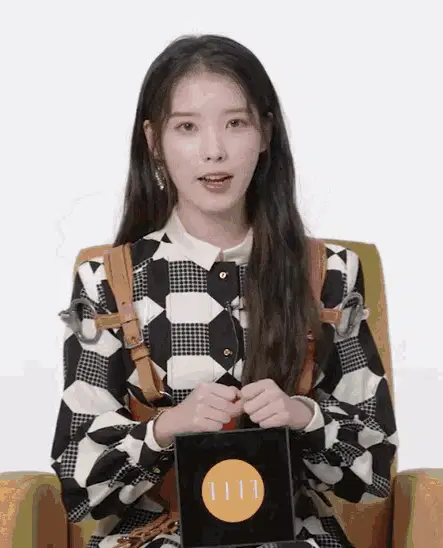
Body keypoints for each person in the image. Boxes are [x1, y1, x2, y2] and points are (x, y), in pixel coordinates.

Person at [49, 34, 398, 548]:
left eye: (236, 123)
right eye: (187, 127)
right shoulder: (107, 279)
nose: (214, 150)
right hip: (156, 536)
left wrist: (303, 416)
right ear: (154, 141)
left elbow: (375, 474)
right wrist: (165, 429)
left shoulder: (329, 273)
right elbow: (79, 487)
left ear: (265, 133)